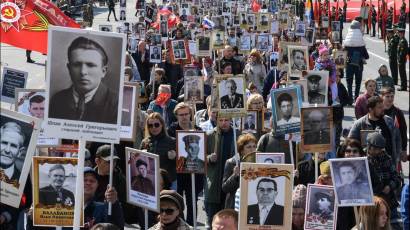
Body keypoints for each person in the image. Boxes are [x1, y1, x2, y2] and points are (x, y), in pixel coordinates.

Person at [49, 37, 118, 124]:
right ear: (69, 68)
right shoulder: (57, 100)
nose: (83, 72)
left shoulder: (116, 103)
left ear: (103, 71)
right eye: (77, 65)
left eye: (90, 65)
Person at [205, 116, 240, 226]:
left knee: (229, 220)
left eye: (226, 120)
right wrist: (209, 158)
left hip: (231, 182)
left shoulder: (237, 135)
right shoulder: (210, 135)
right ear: (216, 121)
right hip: (214, 182)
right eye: (221, 120)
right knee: (212, 220)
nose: (224, 123)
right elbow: (199, 158)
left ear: (231, 120)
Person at [348, 96, 402, 167]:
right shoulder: (359, 124)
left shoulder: (389, 121)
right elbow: (350, 143)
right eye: (379, 107)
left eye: (382, 106)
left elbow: (398, 139)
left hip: (389, 166)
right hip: (368, 166)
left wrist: (397, 157)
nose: (383, 109)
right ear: (370, 109)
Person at [366, 132, 402, 228]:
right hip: (372, 205)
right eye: (375, 149)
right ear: (369, 147)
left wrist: (389, 186)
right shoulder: (363, 161)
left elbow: (398, 178)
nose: (378, 151)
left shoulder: (387, 159)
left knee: (395, 226)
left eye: (380, 149)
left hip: (389, 202)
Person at [140, 113, 177, 190]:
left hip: (168, 182)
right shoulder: (144, 142)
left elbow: (181, 165)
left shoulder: (172, 141)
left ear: (162, 125)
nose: (154, 127)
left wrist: (174, 157)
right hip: (150, 181)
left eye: (156, 124)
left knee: (167, 202)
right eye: (150, 125)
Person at [222, 134, 257, 209]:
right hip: (236, 204)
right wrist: (235, 176)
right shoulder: (232, 162)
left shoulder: (258, 162)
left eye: (254, 146)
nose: (252, 149)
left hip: (252, 202)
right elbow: (225, 188)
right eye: (249, 147)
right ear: (241, 150)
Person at [343, 20, 369, 101]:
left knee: (349, 83)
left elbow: (342, 54)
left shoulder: (347, 44)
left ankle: (350, 98)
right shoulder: (361, 44)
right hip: (359, 65)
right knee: (358, 82)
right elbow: (367, 56)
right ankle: (357, 98)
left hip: (349, 65)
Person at [380, 87, 407, 159]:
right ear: (382, 97)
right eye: (387, 96)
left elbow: (403, 131)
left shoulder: (398, 112)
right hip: (379, 147)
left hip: (395, 147)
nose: (390, 99)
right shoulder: (377, 111)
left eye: (392, 96)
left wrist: (404, 149)